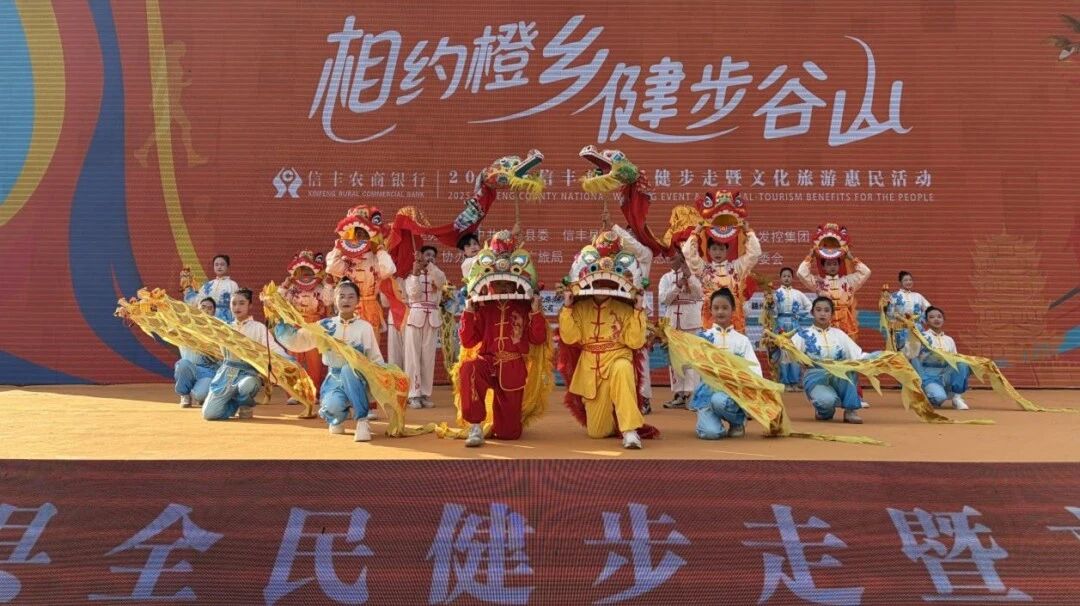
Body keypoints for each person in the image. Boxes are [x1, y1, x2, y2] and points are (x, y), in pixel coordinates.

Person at [274, 281, 386, 441]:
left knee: (349, 369)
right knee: (332, 409)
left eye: (351, 297)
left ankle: (362, 420)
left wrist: (381, 379)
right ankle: (339, 415)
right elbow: (298, 340)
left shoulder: (364, 327)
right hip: (334, 378)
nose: (346, 300)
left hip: (359, 377)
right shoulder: (325, 325)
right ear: (334, 299)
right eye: (342, 296)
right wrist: (280, 322)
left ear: (357, 300)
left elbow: (375, 357)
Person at [459, 288, 547, 446]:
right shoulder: (484, 306)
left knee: (508, 434)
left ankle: (507, 422)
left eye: (507, 283)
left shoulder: (524, 306)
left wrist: (535, 311)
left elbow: (538, 338)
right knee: (469, 368)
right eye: (499, 283)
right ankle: (475, 427)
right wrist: (469, 311)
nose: (503, 285)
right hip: (487, 361)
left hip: (512, 366)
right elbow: (468, 341)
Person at [202, 289, 287, 421]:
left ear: (250, 305)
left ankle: (245, 405)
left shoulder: (258, 328)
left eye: (242, 303)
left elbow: (273, 349)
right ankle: (233, 403)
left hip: (248, 372)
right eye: (234, 303)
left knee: (246, 386)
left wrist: (289, 360)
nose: (237, 307)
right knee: (209, 414)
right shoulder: (225, 328)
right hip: (226, 374)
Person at [690, 288, 761, 439]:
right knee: (711, 433)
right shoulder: (703, 338)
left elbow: (754, 369)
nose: (720, 312)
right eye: (716, 308)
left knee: (719, 401)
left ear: (733, 309)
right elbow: (689, 362)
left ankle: (737, 421)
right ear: (710, 310)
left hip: (732, 392)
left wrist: (753, 393)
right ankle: (710, 421)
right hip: (707, 392)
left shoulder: (742, 340)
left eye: (724, 307)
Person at [789, 297, 872, 424]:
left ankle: (850, 410)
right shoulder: (803, 335)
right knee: (826, 403)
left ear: (832, 314)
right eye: (818, 310)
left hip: (839, 375)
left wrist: (878, 358)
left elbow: (857, 355)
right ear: (812, 313)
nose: (822, 314)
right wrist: (775, 346)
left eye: (826, 310)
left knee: (850, 369)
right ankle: (824, 411)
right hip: (815, 376)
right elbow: (788, 353)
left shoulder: (839, 334)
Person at [325, 205, 397, 333]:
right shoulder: (346, 260)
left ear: (370, 236)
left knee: (370, 343)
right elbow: (331, 267)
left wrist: (380, 249)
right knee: (349, 344)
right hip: (349, 308)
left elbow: (388, 270)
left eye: (363, 233)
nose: (359, 237)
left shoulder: (376, 258)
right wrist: (339, 246)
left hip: (371, 309)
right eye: (356, 233)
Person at [682, 221, 761, 330]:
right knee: (711, 340)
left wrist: (748, 232)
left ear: (727, 250)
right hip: (710, 318)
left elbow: (754, 254)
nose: (718, 253)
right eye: (714, 249)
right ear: (708, 251)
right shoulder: (704, 269)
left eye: (721, 249)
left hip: (734, 318)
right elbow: (688, 253)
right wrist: (696, 232)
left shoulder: (736, 268)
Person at [281, 251, 333, 404]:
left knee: (315, 362)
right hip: (295, 326)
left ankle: (313, 393)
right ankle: (294, 393)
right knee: (294, 360)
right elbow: (277, 301)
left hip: (314, 326)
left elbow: (329, 301)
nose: (306, 274)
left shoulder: (320, 287)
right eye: (302, 270)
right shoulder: (291, 288)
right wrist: (285, 285)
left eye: (309, 270)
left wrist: (327, 284)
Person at [658, 248, 703, 409]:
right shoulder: (666, 278)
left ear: (682, 258)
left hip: (690, 321)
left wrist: (689, 277)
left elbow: (699, 294)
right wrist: (677, 285)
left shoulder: (695, 275)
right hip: (672, 322)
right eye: (669, 257)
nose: (671, 259)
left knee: (691, 358)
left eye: (674, 256)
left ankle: (692, 394)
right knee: (675, 360)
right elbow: (663, 299)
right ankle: (679, 394)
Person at [404, 245, 446, 408]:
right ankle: (413, 394)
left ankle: (424, 394)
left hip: (432, 318)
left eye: (432, 256)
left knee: (428, 358)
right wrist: (416, 273)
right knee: (413, 356)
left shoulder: (438, 273)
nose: (430, 258)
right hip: (416, 317)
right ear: (419, 256)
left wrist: (429, 266)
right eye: (427, 255)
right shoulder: (411, 276)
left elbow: (441, 282)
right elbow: (413, 294)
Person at [904, 307, 971, 410]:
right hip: (928, 376)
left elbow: (955, 360)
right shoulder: (921, 337)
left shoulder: (949, 340)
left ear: (943, 320)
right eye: (932, 317)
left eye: (939, 317)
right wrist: (912, 333)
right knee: (939, 398)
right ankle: (924, 392)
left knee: (962, 364)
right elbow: (911, 356)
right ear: (926, 321)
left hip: (945, 375)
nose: (936, 319)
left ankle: (957, 398)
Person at [769, 267, 813, 391]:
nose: (786, 278)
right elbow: (770, 310)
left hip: (794, 325)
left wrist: (800, 315)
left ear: (792, 278)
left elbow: (809, 306)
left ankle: (795, 382)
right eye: (784, 276)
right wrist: (773, 312)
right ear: (780, 278)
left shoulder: (798, 293)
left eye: (789, 276)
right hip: (780, 324)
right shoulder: (775, 293)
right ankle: (785, 382)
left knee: (795, 351)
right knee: (784, 353)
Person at [174, 297, 220, 407]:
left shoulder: (217, 331)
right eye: (203, 307)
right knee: (183, 364)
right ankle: (185, 395)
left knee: (201, 395)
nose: (205, 310)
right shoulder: (184, 327)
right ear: (197, 309)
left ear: (213, 313)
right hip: (189, 368)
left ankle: (200, 393)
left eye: (209, 308)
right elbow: (163, 322)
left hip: (207, 371)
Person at [181, 254, 239, 322]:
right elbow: (197, 301)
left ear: (227, 266)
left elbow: (236, 305)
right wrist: (188, 290)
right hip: (207, 320)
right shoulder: (208, 285)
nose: (219, 267)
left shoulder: (232, 285)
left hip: (225, 321)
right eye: (216, 265)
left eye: (222, 264)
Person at [886, 271, 932, 351]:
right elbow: (889, 313)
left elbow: (929, 309)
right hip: (901, 330)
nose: (909, 282)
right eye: (906, 280)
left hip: (916, 329)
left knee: (918, 351)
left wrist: (920, 318)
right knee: (902, 352)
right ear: (900, 282)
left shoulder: (918, 296)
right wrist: (901, 319)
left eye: (910, 280)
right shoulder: (894, 296)